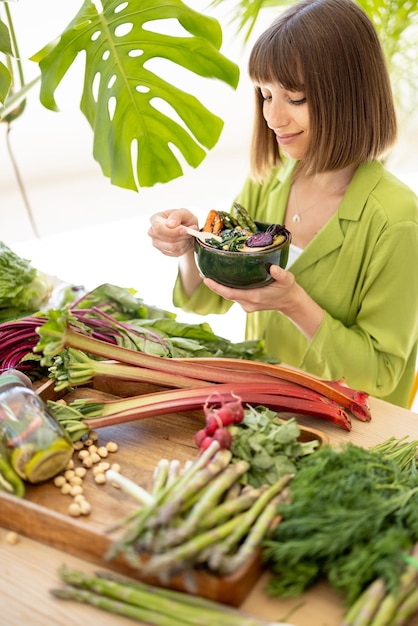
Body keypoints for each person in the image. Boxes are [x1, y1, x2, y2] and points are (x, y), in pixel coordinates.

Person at [148, 0, 418, 408]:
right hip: (263, 410)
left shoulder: (398, 222)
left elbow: (381, 376)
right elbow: (208, 298)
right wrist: (192, 246)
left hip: (348, 432)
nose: (273, 117)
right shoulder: (270, 179)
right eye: (266, 94)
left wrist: (294, 303)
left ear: (350, 97)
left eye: (295, 98)